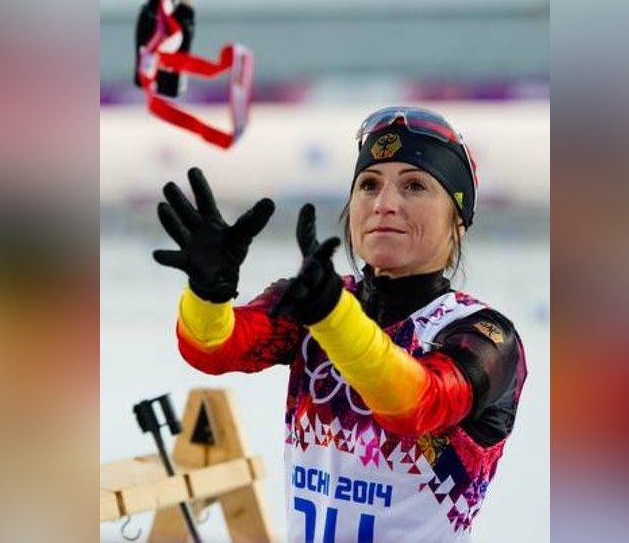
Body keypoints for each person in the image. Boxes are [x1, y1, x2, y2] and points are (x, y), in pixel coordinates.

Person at [153, 107, 527, 542]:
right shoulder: (317, 300)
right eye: (369, 185)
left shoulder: (485, 336)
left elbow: (418, 403)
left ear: (458, 222)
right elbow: (215, 350)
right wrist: (208, 294)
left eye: (415, 186)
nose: (385, 204)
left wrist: (332, 316)